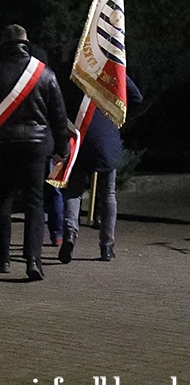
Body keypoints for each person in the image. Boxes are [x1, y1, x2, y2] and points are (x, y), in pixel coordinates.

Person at [0, 24, 69, 280]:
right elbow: (58, 115)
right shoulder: (44, 73)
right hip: (37, 146)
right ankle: (33, 260)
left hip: (3, 144)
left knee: (2, 200)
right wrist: (62, 148)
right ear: (26, 42)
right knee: (35, 202)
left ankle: (2, 259)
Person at [58, 76, 142, 263]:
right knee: (108, 195)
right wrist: (117, 115)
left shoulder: (77, 70)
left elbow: (60, 103)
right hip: (106, 137)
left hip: (80, 138)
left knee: (73, 192)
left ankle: (70, 235)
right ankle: (107, 246)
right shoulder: (112, 70)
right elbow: (136, 97)